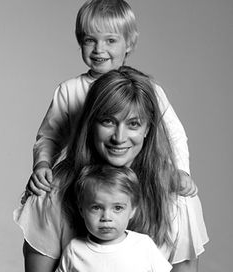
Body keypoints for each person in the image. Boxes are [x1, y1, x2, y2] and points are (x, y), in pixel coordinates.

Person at [14, 66, 208, 272]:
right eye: (108, 121)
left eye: (133, 124)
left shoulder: (176, 196)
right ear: (91, 124)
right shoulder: (52, 192)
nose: (119, 137)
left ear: (147, 129)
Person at [25, 0, 196, 202]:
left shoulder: (145, 89)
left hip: (136, 182)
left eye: (110, 40)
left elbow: (174, 134)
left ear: (129, 43)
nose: (99, 49)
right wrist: (42, 164)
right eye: (90, 40)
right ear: (80, 42)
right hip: (86, 184)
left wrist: (181, 171)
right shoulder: (69, 91)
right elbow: (50, 136)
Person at [53, 164, 174, 272]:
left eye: (117, 208)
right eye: (96, 208)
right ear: (81, 210)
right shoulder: (75, 250)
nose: (106, 217)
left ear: (132, 211)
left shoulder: (143, 245)